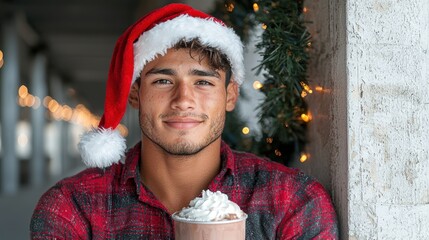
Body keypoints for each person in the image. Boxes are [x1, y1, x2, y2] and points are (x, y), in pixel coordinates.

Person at [30, 3, 338, 239]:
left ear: (230, 95)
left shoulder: (291, 201)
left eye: (203, 82)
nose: (183, 100)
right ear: (135, 93)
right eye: (163, 81)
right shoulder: (73, 207)